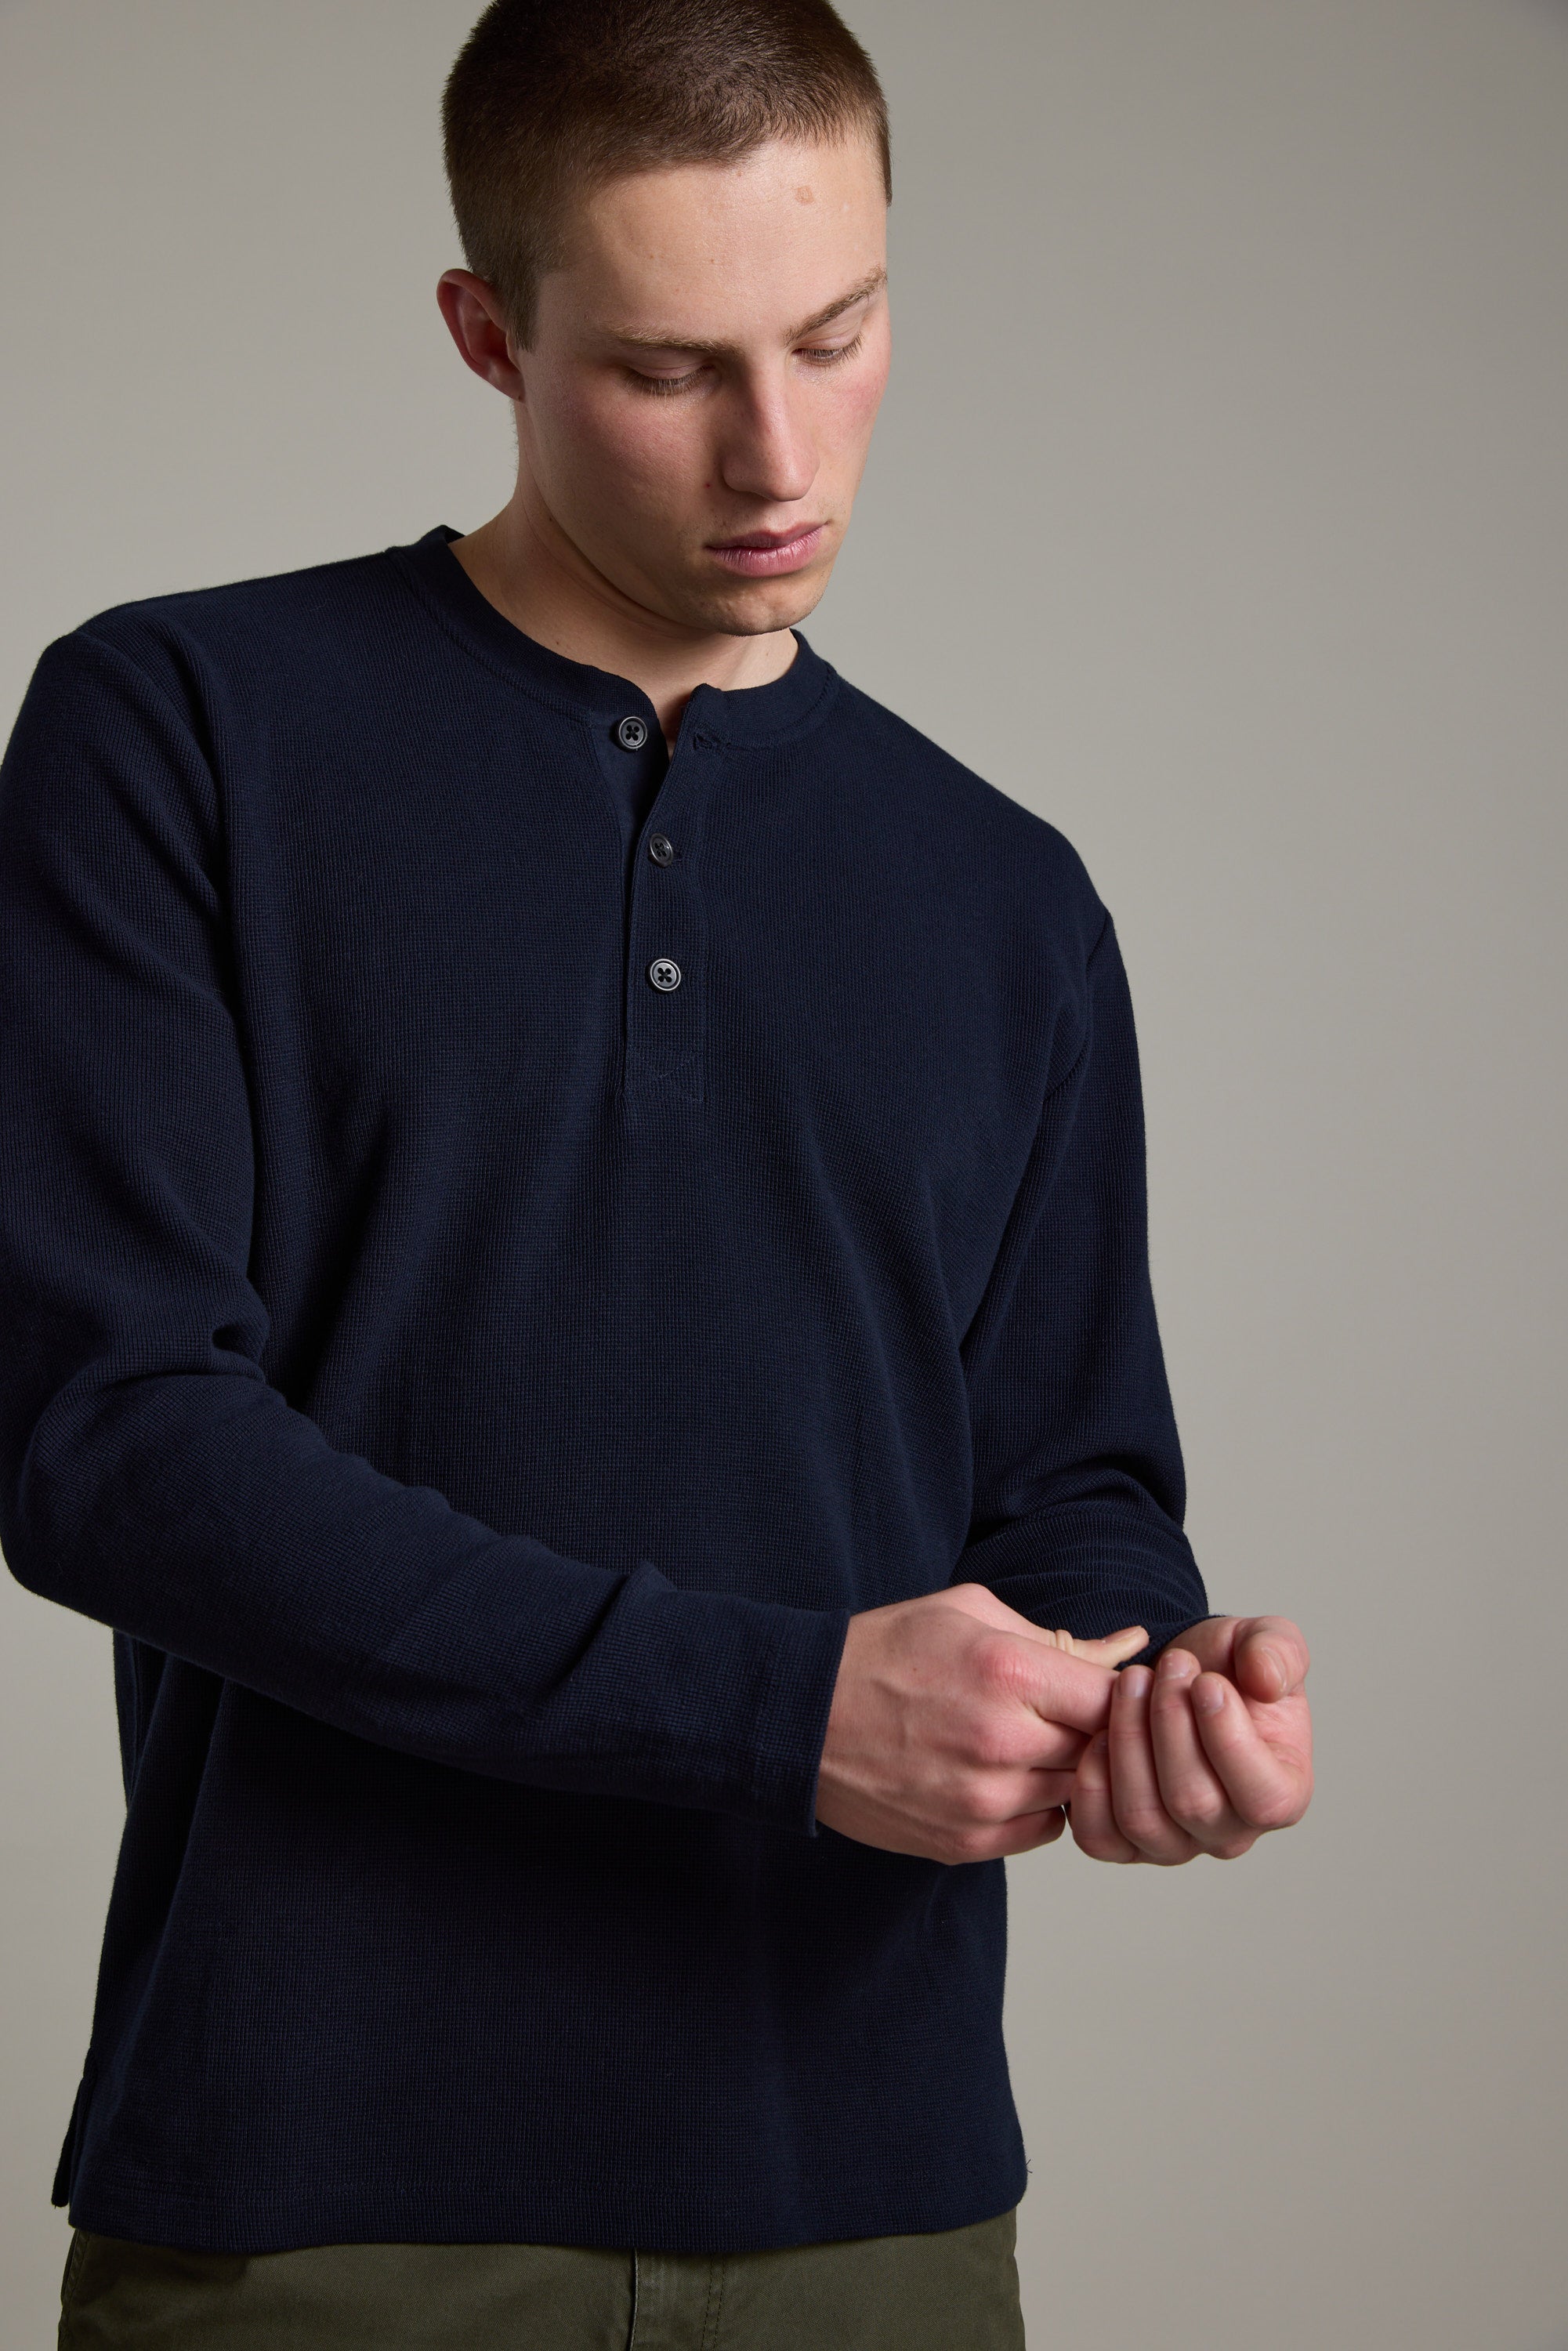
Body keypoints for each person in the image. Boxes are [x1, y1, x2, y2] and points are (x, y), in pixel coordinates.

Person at [0, 1, 1313, 2343]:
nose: (778, 454)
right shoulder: (179, 731)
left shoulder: (1004, 893)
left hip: (872, 2199)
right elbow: (107, 1444)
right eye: (668, 368)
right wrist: (777, 1706)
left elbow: (1070, 1478)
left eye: (838, 334)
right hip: (322, 2198)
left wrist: (1145, 1694)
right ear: (485, 333)